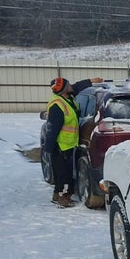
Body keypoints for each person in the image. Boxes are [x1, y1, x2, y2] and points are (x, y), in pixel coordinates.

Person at [44, 76, 104, 207]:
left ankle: (57, 194)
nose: (71, 86)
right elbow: (53, 129)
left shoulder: (67, 97)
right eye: (68, 85)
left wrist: (90, 81)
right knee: (64, 174)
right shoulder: (57, 106)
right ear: (64, 89)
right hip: (60, 146)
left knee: (63, 172)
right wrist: (49, 149)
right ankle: (63, 198)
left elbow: (76, 87)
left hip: (68, 144)